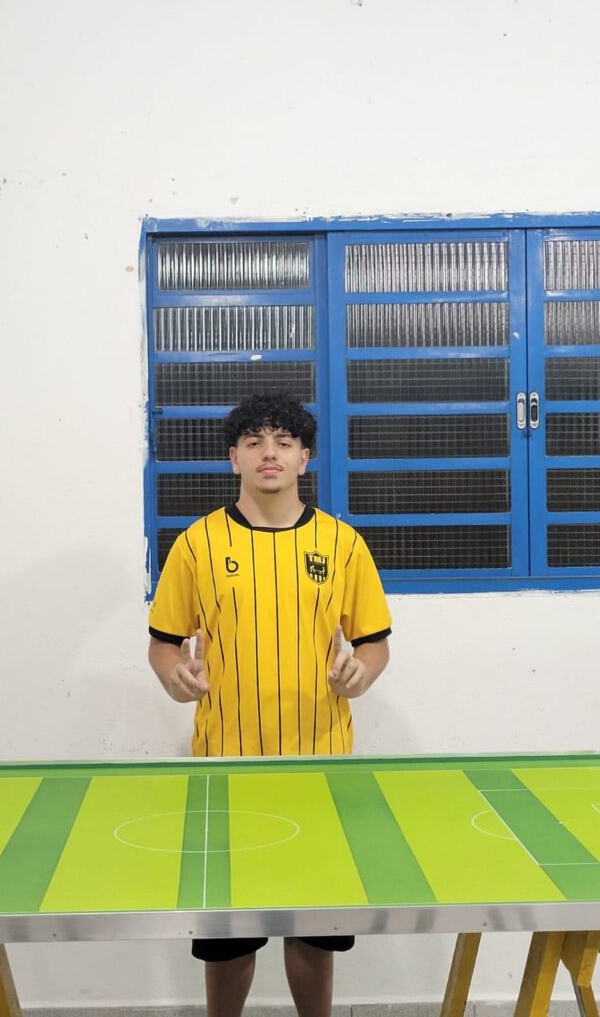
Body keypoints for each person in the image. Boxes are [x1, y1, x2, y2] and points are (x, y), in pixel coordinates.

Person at [148, 392, 391, 1017]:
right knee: (228, 931)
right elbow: (164, 646)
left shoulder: (342, 544)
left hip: (320, 765)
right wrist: (176, 678)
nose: (269, 453)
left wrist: (360, 674)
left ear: (305, 458)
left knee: (313, 925)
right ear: (234, 458)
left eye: (284, 442)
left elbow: (373, 644)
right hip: (224, 768)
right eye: (254, 442)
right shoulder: (197, 545)